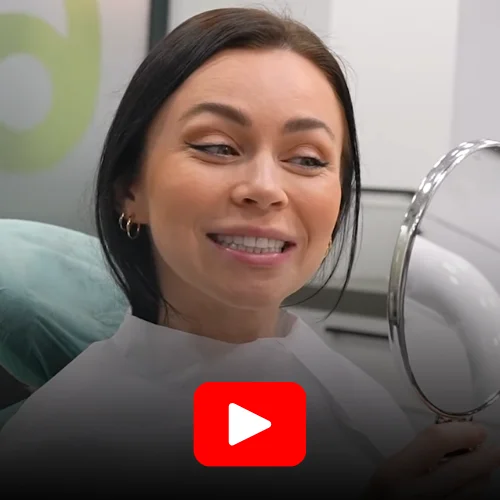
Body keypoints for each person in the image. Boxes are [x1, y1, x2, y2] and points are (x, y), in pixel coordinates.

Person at [0, 7, 499, 498]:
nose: (265, 188)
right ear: (130, 189)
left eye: (307, 159)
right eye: (217, 147)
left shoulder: (349, 394)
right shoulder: (59, 441)